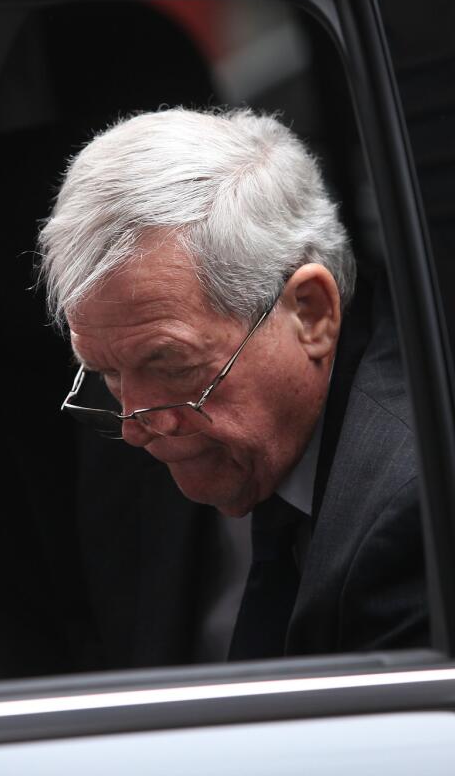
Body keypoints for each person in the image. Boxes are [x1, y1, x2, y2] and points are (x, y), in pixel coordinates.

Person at [37, 107, 427, 661]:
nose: (136, 429)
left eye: (174, 367)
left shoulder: (414, 505)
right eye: (106, 373)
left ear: (310, 314)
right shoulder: (139, 435)